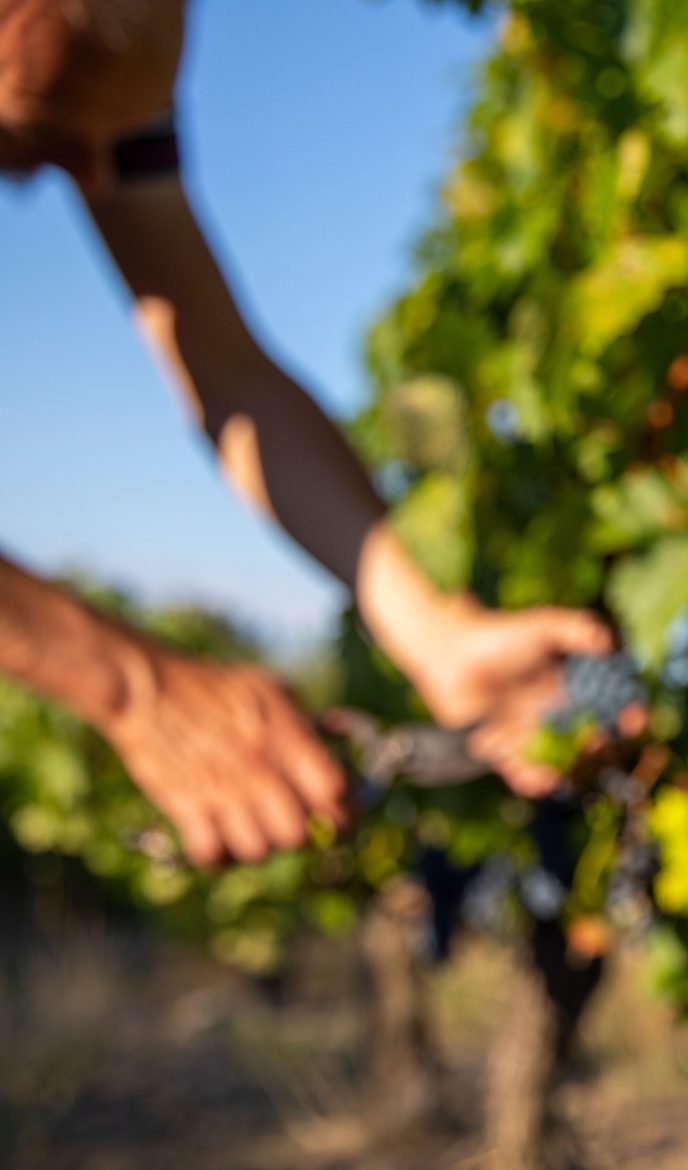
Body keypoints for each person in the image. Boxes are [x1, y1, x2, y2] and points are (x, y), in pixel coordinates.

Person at [0, 0, 613, 866]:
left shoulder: (108, 109)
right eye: (49, 121)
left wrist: (430, 629)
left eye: (118, 127)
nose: (90, 174)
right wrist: (136, 688)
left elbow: (227, 366)